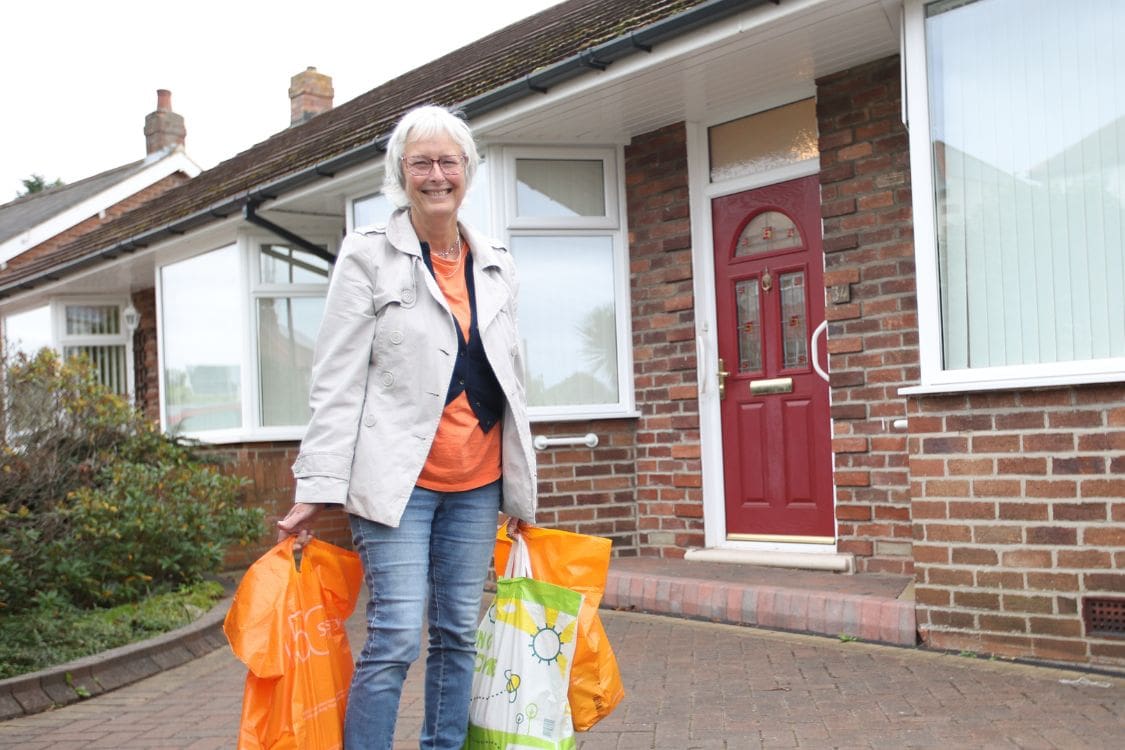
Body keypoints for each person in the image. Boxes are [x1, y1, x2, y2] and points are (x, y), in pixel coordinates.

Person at [275, 104, 537, 750]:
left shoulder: (496, 264)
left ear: (467, 173)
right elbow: (336, 380)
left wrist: (519, 494)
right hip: (398, 483)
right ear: (401, 174)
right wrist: (315, 484)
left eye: (448, 161)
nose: (436, 175)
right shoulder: (368, 258)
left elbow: (514, 383)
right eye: (421, 163)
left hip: (476, 482)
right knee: (394, 634)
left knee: (455, 631)